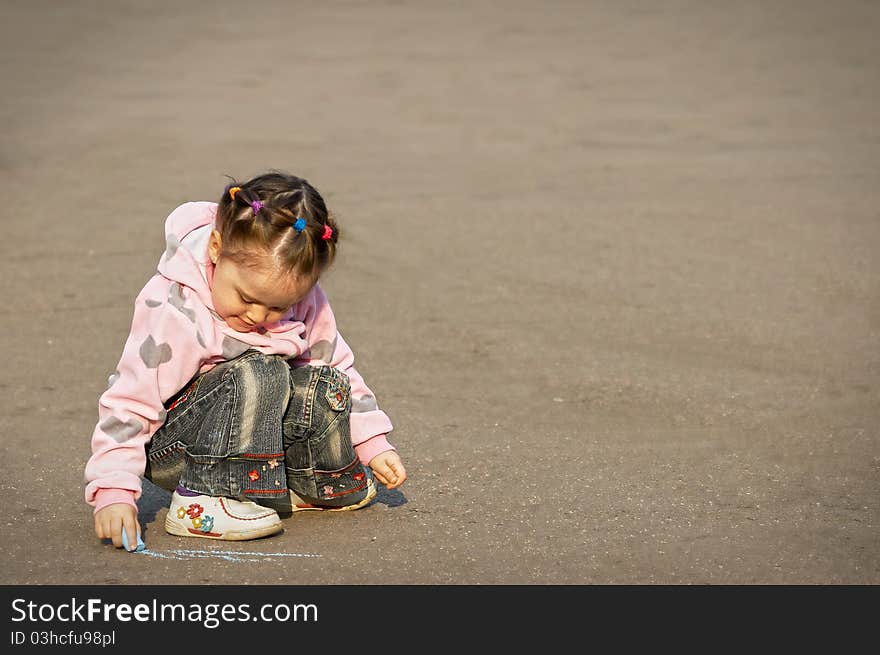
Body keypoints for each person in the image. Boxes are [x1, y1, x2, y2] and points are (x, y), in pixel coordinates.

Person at [85, 171, 406, 549]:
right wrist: (114, 491)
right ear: (216, 249)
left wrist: (373, 442)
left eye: (278, 306)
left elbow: (337, 365)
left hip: (250, 433)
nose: (259, 316)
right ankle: (206, 499)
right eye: (247, 297)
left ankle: (308, 482)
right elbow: (131, 401)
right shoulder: (176, 309)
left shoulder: (304, 299)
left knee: (323, 381)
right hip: (176, 446)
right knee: (261, 369)